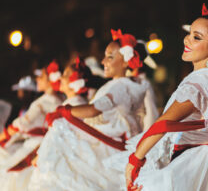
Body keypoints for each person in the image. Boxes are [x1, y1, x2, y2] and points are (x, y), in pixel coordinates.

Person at [121, 4, 208, 191]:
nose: (187, 40)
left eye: (196, 37)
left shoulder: (197, 84)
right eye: (190, 33)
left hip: (198, 165)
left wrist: (135, 160)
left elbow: (164, 123)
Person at [28, 30, 148, 191]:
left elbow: (93, 110)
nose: (104, 61)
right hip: (113, 140)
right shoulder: (122, 84)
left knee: (60, 132)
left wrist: (64, 112)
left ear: (126, 62)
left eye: (110, 57)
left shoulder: (120, 86)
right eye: (105, 56)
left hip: (114, 146)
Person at [0, 58, 90, 191]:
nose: (37, 79)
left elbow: (23, 123)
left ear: (50, 80)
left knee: (13, 174)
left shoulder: (48, 101)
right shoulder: (60, 100)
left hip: (42, 144)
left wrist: (5, 136)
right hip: (45, 143)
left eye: (41, 76)